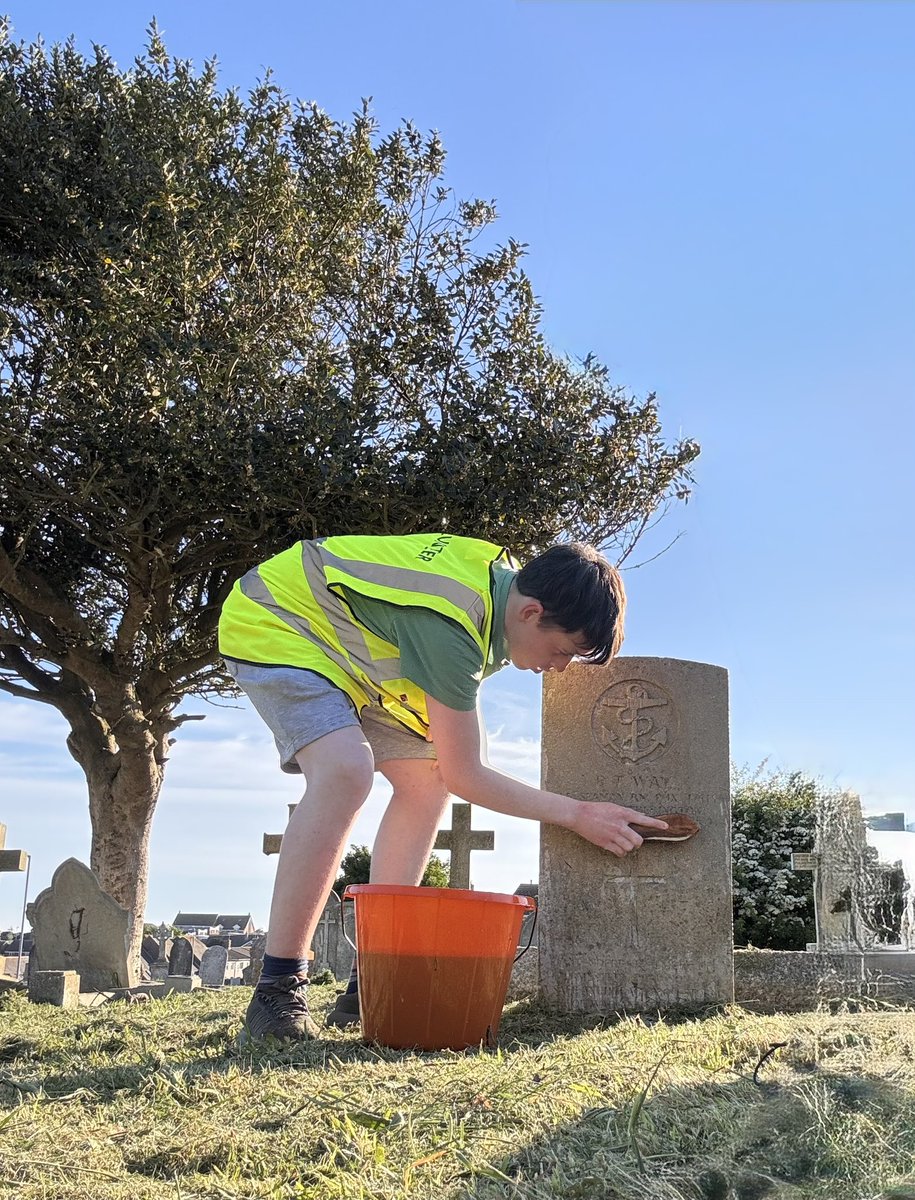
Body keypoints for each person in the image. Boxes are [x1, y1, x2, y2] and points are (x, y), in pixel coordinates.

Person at [218, 531, 668, 1041]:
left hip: (356, 659)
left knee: (428, 782)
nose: (560, 668)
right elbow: (468, 772)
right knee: (346, 772)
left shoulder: (502, 589)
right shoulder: (451, 622)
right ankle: (278, 986)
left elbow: (450, 768)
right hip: (281, 619)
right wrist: (577, 813)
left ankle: (370, 980)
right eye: (562, 650)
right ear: (530, 612)